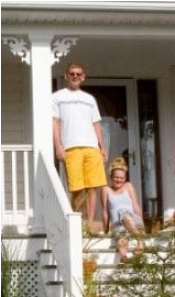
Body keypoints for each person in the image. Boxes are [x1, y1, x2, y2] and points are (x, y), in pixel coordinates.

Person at [53, 62, 107, 229]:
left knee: (92, 187)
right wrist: (58, 146)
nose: (75, 76)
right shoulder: (57, 96)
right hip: (71, 147)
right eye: (72, 73)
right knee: (77, 188)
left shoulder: (90, 99)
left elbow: (96, 124)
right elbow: (54, 122)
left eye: (78, 74)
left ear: (83, 77)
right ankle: (76, 225)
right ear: (66, 76)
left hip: (92, 147)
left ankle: (90, 224)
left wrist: (102, 147)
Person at [101, 157, 145, 263]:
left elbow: (135, 206)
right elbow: (105, 211)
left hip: (133, 221)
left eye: (122, 178)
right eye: (116, 177)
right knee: (121, 239)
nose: (119, 180)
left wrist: (142, 225)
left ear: (125, 178)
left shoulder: (128, 186)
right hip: (118, 224)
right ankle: (124, 258)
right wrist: (106, 230)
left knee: (125, 215)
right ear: (111, 176)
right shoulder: (106, 190)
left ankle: (140, 241)